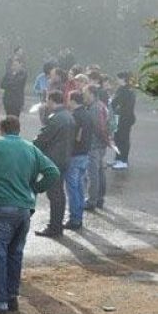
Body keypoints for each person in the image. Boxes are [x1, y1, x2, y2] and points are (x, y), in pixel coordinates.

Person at [0, 116, 59, 314]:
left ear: (1, 129)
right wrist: (35, 188)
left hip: (1, 207)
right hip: (24, 209)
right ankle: (11, 297)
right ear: (18, 130)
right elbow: (52, 172)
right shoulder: (30, 148)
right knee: (15, 253)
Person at [33, 91, 74, 238]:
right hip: (64, 159)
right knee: (59, 194)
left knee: (54, 194)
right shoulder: (68, 116)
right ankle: (56, 225)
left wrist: (29, 147)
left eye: (48, 100)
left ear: (51, 100)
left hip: (54, 160)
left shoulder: (56, 118)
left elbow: (43, 138)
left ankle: (55, 227)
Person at [64, 91, 95, 231]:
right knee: (80, 187)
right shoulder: (88, 114)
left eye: (69, 99)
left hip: (75, 155)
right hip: (85, 154)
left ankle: (75, 218)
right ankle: (79, 217)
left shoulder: (75, 116)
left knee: (72, 189)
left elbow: (74, 137)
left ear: (73, 100)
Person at [84, 85, 110, 210]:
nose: (84, 96)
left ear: (92, 94)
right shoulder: (102, 105)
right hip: (101, 144)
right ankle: (100, 199)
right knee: (100, 172)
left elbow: (97, 127)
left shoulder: (94, 108)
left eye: (86, 93)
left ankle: (92, 201)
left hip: (94, 144)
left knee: (93, 174)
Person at [110, 71, 136, 170]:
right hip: (121, 118)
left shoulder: (126, 91)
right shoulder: (124, 89)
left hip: (124, 119)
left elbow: (116, 103)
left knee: (123, 139)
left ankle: (123, 160)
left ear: (123, 79)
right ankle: (118, 158)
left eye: (118, 78)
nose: (117, 80)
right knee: (118, 138)